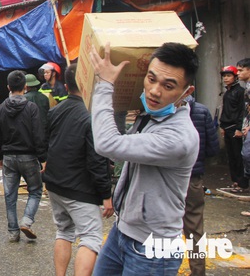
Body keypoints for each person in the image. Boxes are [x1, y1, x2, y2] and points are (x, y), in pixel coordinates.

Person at [89, 42, 199, 275]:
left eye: (168, 86)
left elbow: (107, 143)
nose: (155, 91)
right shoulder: (151, 117)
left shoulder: (178, 138)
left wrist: (105, 84)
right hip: (122, 232)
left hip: (152, 249)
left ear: (186, 92)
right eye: (151, 79)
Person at [43, 63, 113, 276]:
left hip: (55, 184)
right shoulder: (91, 116)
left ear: (66, 84)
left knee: (63, 231)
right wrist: (106, 194)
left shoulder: (56, 111)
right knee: (91, 238)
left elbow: (47, 144)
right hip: (79, 189)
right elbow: (96, 161)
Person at [0, 70, 46, 242]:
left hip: (8, 157)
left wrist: (0, 155)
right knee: (36, 191)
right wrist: (42, 157)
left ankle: (13, 232)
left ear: (8, 87)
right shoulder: (31, 108)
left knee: (10, 195)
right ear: (25, 87)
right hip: (29, 156)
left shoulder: (1, 108)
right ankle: (27, 221)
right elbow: (38, 134)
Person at [183, 95, 220, 276]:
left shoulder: (161, 110)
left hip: (165, 180)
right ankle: (198, 271)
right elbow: (213, 149)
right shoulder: (202, 111)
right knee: (194, 228)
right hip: (193, 178)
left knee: (162, 227)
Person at [219, 65, 248, 191]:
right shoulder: (227, 92)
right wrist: (222, 126)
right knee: (231, 156)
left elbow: (242, 111)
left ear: (235, 77)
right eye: (224, 76)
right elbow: (225, 110)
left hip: (235, 127)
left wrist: (239, 128)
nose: (226, 78)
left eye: (228, 75)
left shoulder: (240, 92)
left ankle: (242, 183)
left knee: (239, 156)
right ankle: (235, 181)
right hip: (227, 127)